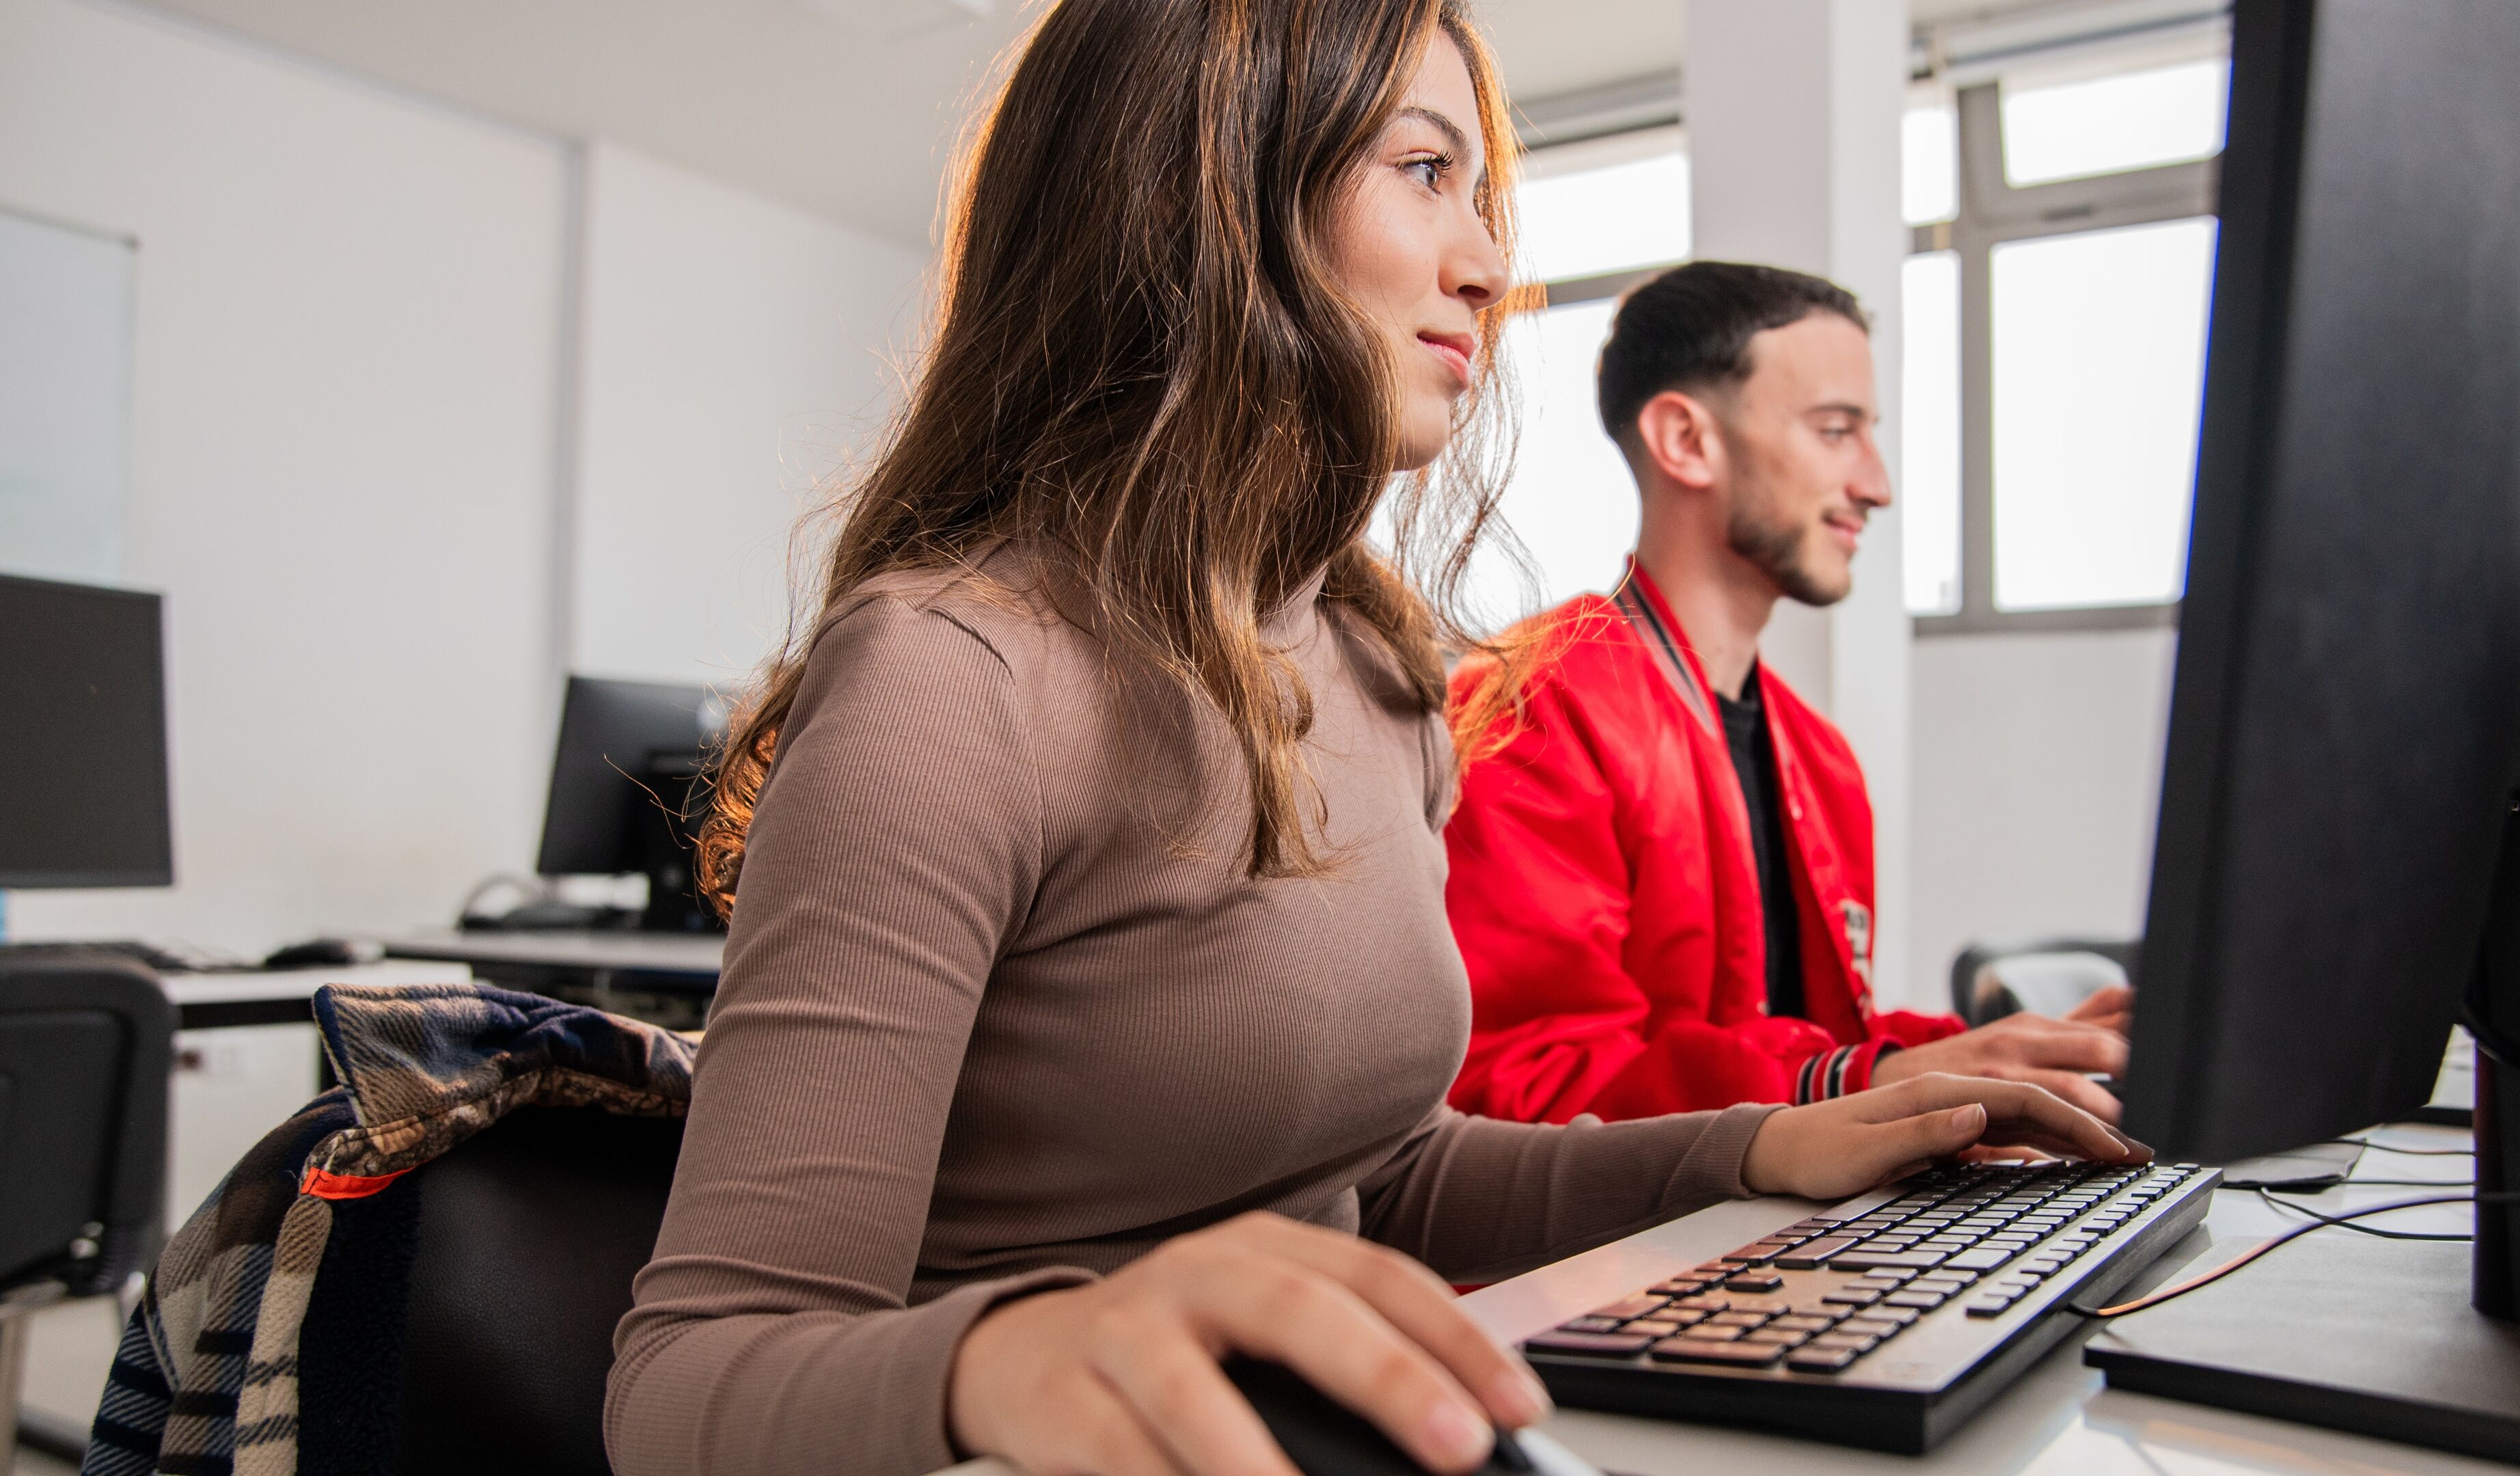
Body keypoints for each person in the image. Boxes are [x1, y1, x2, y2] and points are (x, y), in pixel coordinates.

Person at [605, 9, 2148, 1476]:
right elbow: (688, 1380)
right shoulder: (953, 679)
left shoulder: (1372, 667)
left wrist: (1760, 1149)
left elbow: (1393, 1176)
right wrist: (1009, 1353)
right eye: (1424, 174)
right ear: (1203, 193)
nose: (1484, 263)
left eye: (1480, 197)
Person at [1442, 263, 2135, 1130]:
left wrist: (2025, 1055)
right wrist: (1866, 1080)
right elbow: (1526, 1087)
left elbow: (1806, 1044)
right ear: (1687, 441)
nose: (1876, 484)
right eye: (1837, 431)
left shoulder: (1819, 756)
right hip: (1631, 1260)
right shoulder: (1534, 704)